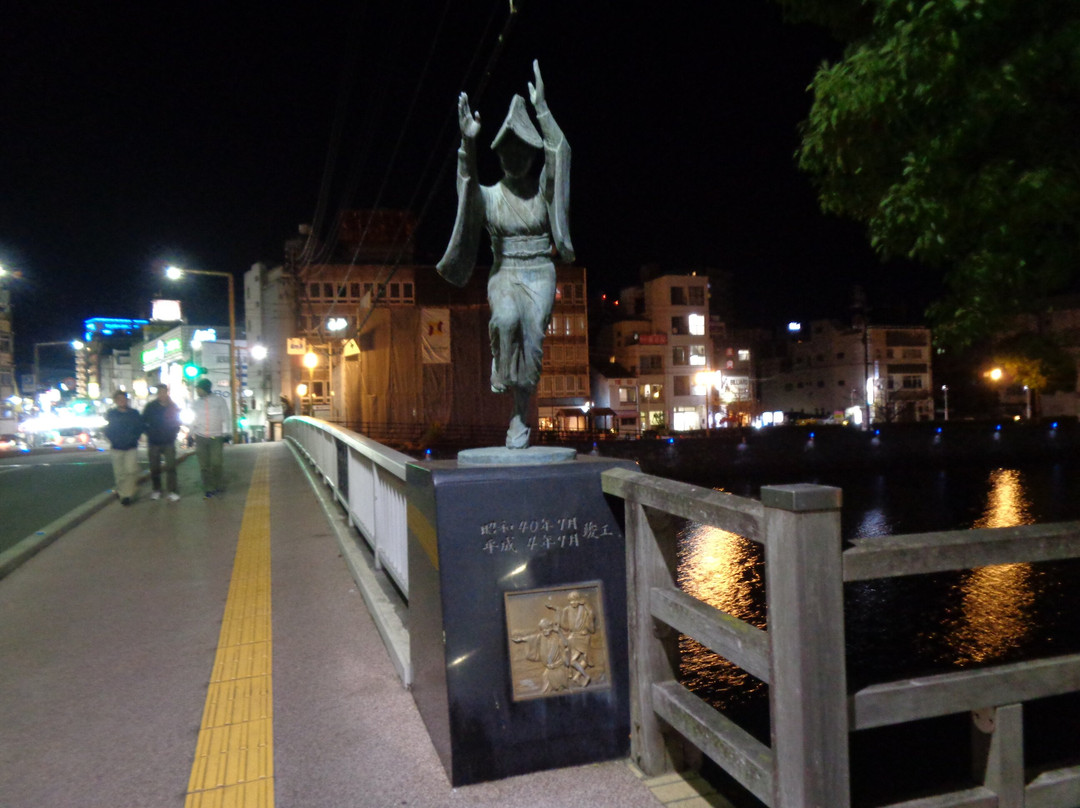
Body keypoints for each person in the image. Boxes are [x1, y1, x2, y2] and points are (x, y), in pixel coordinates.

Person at [436, 59, 574, 449]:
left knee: (532, 343)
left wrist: (542, 110)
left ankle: (519, 416)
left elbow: (561, 152)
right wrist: (467, 142)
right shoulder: (491, 196)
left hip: (540, 270)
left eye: (524, 153)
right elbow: (465, 187)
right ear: (499, 156)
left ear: (532, 155)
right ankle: (500, 356)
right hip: (506, 269)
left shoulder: (542, 190)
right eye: (508, 153)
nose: (517, 160)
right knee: (505, 319)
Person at [191, 377, 230, 498]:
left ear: (205, 389)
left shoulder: (219, 401)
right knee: (204, 465)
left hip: (216, 437)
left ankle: (217, 485)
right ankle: (208, 488)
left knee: (216, 463)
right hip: (200, 436)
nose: (197, 391)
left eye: (198, 389)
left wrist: (227, 433)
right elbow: (193, 420)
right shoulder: (196, 404)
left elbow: (226, 417)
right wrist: (190, 434)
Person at [103, 390, 143, 506]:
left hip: (131, 446)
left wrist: (135, 437)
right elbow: (107, 429)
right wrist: (112, 438)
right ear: (116, 401)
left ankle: (127, 495)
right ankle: (122, 493)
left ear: (127, 400)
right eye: (119, 399)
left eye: (123, 398)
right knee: (119, 473)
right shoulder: (111, 414)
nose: (122, 401)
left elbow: (139, 427)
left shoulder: (134, 413)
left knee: (131, 470)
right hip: (116, 447)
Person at [142, 384, 181, 501]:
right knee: (154, 468)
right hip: (154, 442)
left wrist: (174, 433)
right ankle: (156, 489)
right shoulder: (150, 407)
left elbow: (177, 421)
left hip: (169, 441)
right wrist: (149, 433)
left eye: (163, 392)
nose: (162, 395)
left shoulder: (172, 406)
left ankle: (172, 490)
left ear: (167, 392)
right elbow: (143, 421)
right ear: (157, 394)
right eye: (159, 392)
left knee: (171, 467)